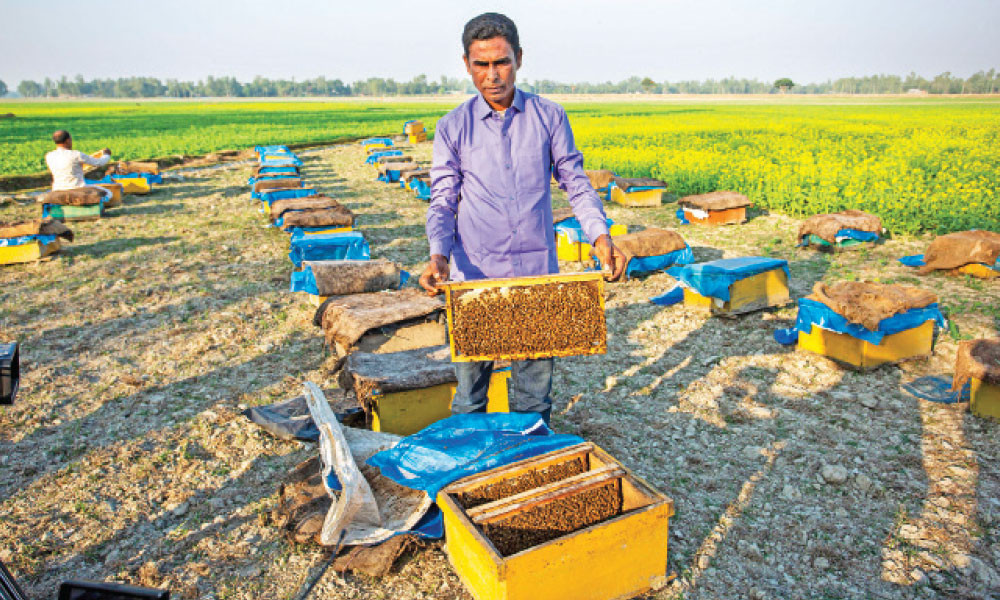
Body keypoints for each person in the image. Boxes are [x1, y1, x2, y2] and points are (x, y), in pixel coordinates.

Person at [419, 12, 626, 425]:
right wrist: (438, 255)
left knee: (534, 397)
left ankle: (529, 466)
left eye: (501, 62)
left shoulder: (549, 116)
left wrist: (600, 237)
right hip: (474, 278)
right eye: (481, 65)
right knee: (470, 397)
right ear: (466, 64)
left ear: (519, 58)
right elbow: (443, 200)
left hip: (535, 273)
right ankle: (470, 477)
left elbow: (576, 182)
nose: (492, 75)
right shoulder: (452, 127)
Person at [44, 130, 112, 192]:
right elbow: (99, 162)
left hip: (57, 189)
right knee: (108, 193)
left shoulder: (49, 156)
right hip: (77, 188)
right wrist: (106, 155)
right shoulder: (77, 154)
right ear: (68, 141)